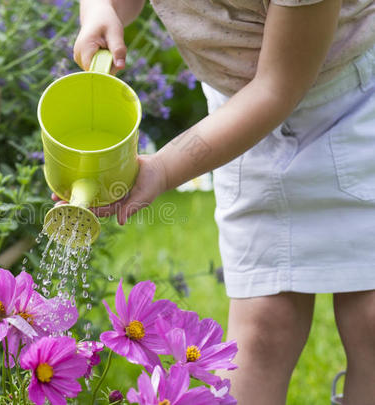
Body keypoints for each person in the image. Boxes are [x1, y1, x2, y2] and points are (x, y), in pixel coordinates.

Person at [66, 0, 375, 403]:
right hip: (236, 116)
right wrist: (100, 10)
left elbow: (277, 87)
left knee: (370, 322)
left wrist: (162, 168)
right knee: (264, 325)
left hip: (351, 101)